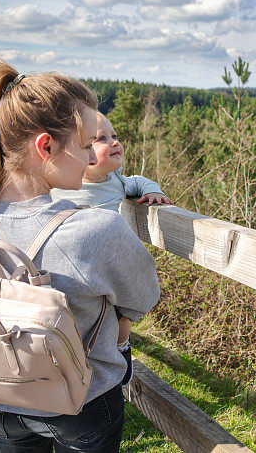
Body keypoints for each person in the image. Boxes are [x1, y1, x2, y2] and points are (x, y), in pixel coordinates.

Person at [0, 59, 160, 452]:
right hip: (81, 404)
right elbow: (143, 299)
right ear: (46, 147)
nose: (94, 159)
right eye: (85, 145)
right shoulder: (95, 231)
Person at [51, 111, 171, 386]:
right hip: (78, 270)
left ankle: (120, 351)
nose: (115, 142)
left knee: (120, 318)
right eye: (101, 139)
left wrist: (154, 191)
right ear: (79, 152)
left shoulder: (116, 181)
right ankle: (79, 367)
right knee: (83, 323)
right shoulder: (65, 188)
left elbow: (138, 181)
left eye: (114, 136)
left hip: (113, 270)